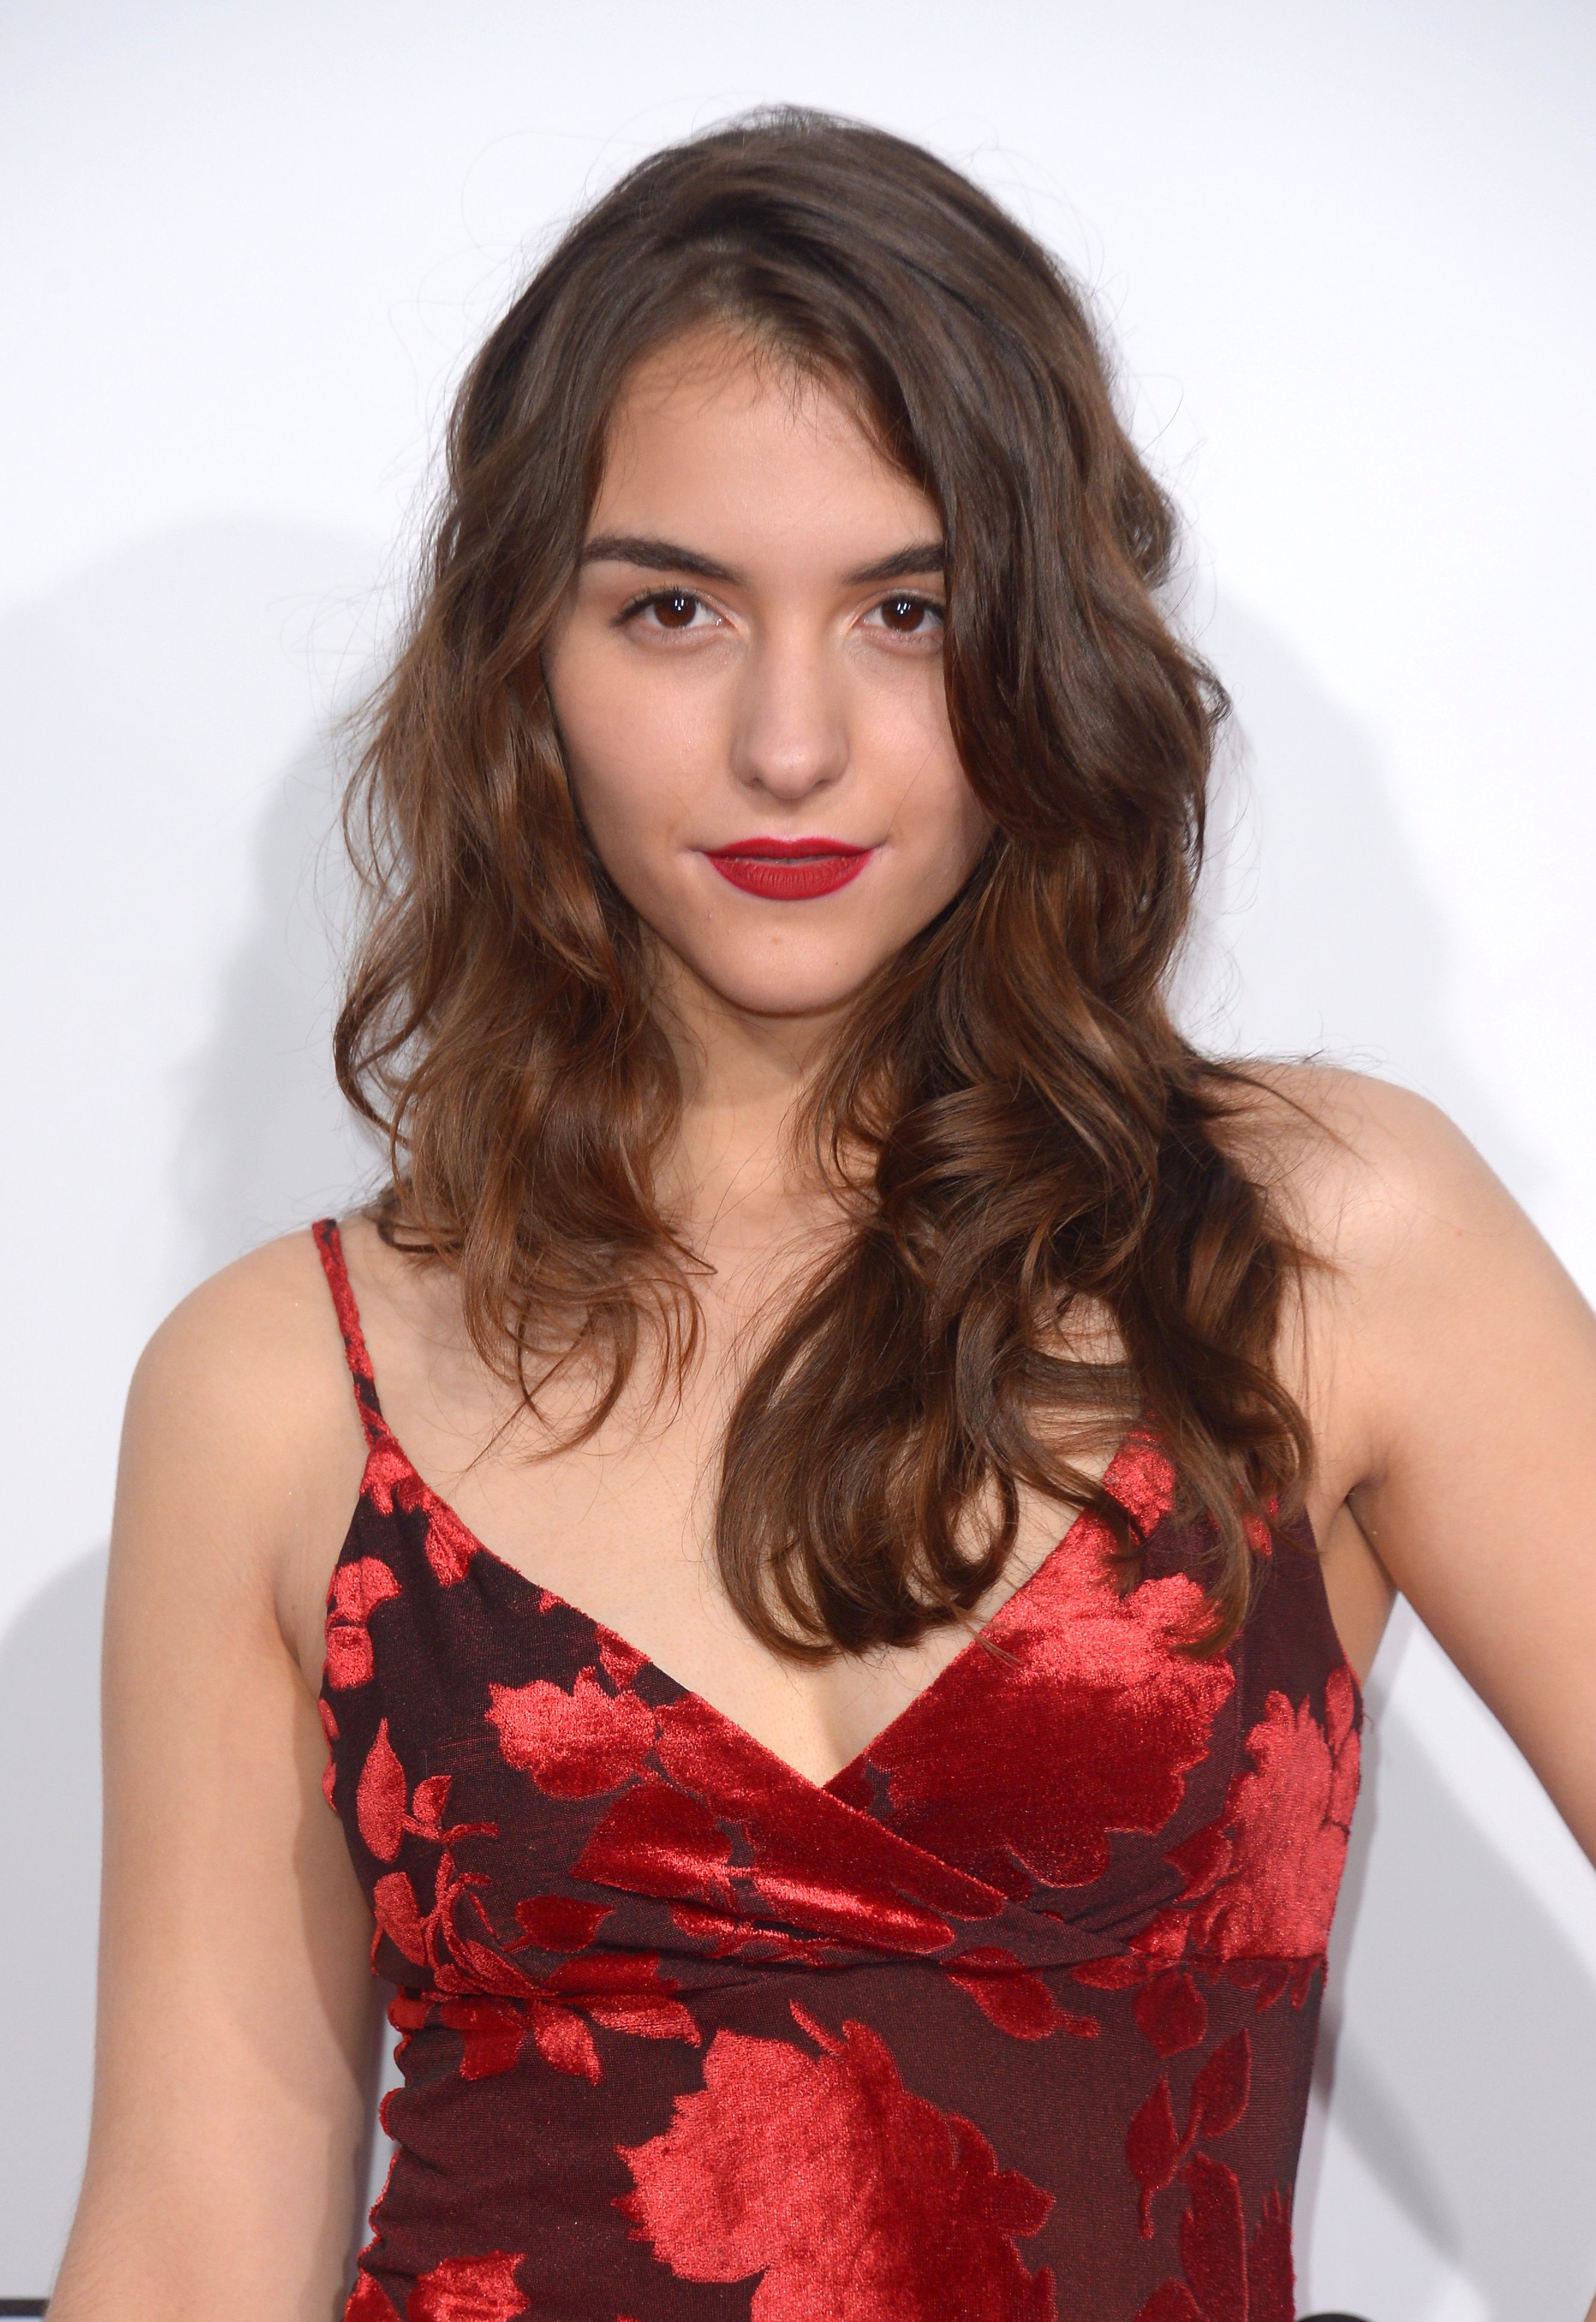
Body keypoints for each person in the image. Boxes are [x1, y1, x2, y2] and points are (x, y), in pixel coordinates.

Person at [49, 109, 1596, 2322]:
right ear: (523, 657)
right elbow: (191, 2252)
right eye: (672, 609)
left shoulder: (1322, 1245)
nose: (792, 741)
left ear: (1043, 643)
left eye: (907, 609)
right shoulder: (279, 1387)